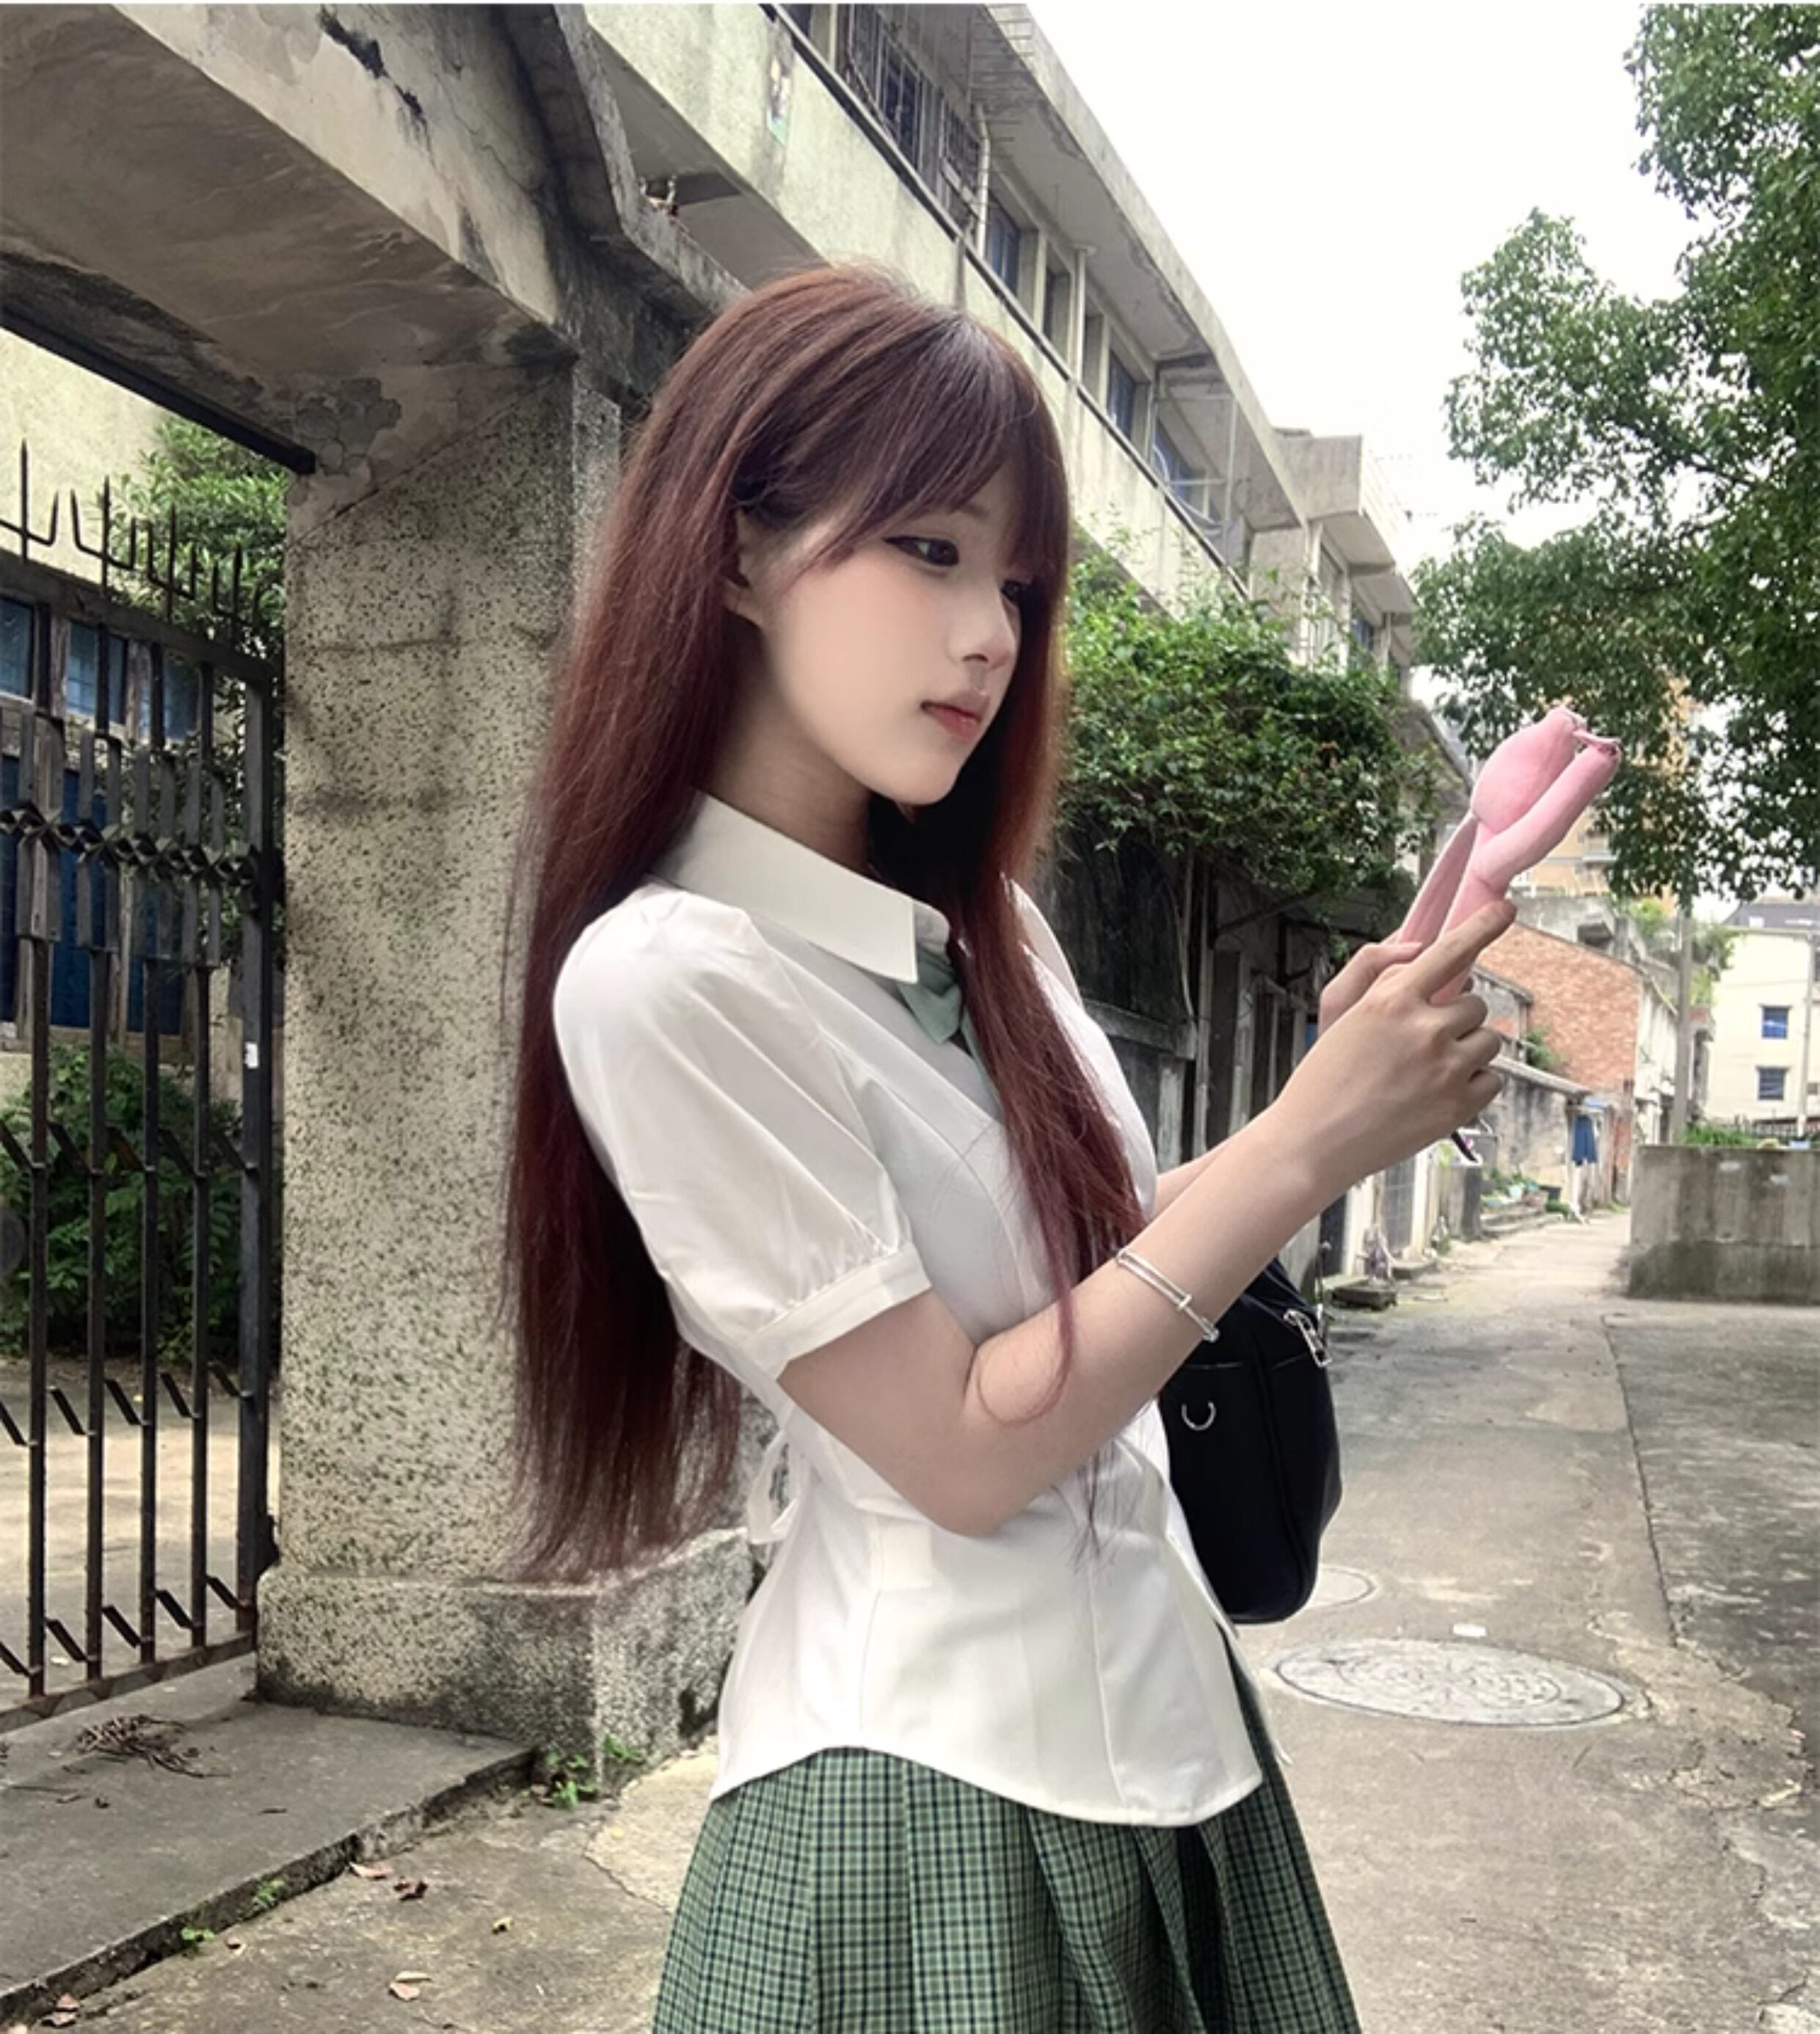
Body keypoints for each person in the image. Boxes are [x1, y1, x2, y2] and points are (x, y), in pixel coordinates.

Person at [500, 263, 1513, 2033]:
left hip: (1172, 1734)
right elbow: (964, 1455)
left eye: (1021, 586)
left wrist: (1330, 1105)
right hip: (921, 1808)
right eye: (931, 551)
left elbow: (1094, 1261)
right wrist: (1299, 1151)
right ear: (737, 552)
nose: (991, 635)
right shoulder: (669, 981)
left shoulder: (989, 931)